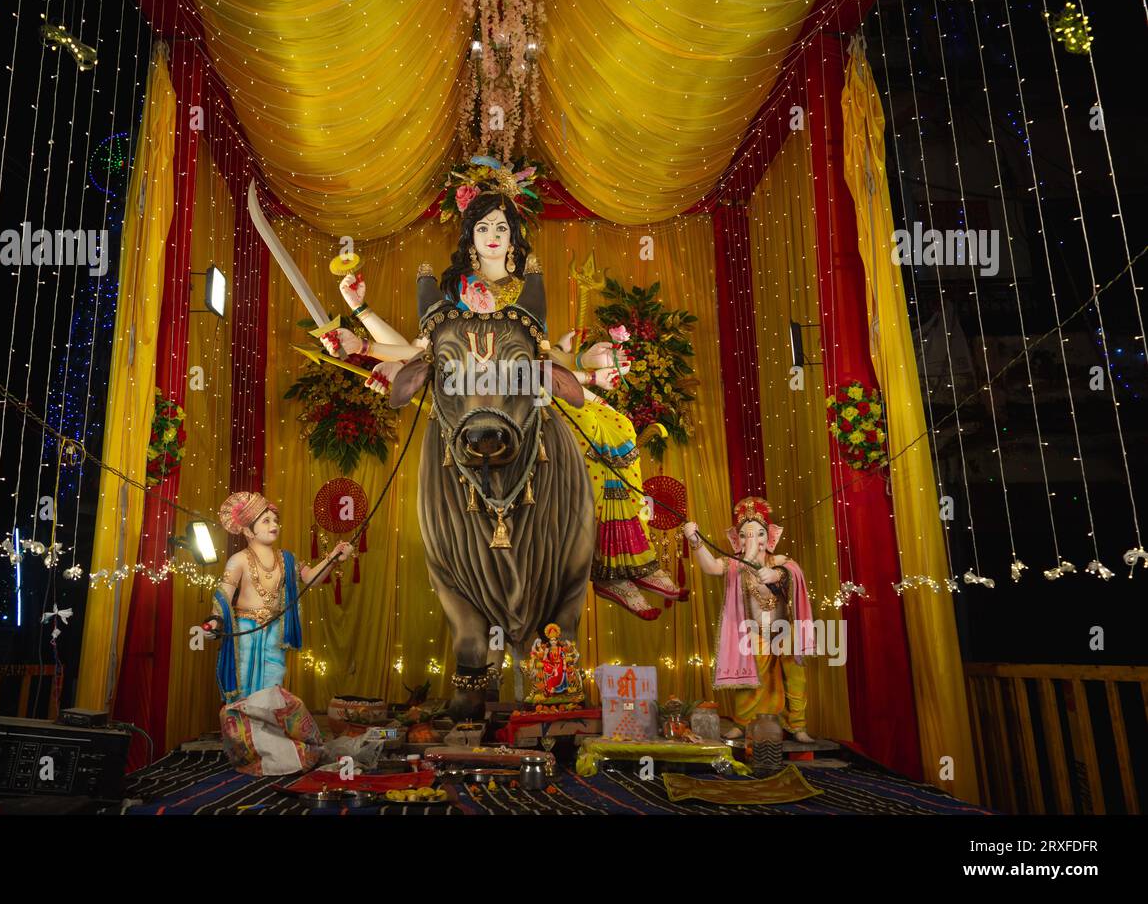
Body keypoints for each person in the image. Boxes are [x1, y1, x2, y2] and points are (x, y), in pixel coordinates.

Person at [320, 158, 684, 621]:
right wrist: (362, 329)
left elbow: (546, 357)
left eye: (502, 227)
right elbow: (420, 352)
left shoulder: (525, 288)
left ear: (514, 237)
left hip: (529, 386)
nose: (493, 236)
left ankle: (620, 562)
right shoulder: (453, 294)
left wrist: (586, 365)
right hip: (478, 394)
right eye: (483, 228)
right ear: (470, 240)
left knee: (615, 426)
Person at [684, 496, 816, 743]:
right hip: (754, 633)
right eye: (744, 535)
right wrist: (696, 542)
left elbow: (793, 574)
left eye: (758, 534)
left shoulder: (780, 562)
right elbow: (711, 567)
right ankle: (743, 723)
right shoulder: (735, 564)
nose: (752, 540)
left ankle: (797, 725)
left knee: (795, 678)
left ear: (770, 537)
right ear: (737, 539)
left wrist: (776, 574)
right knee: (749, 677)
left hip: (785, 630)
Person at [205, 491, 353, 703]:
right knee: (243, 680)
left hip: (275, 629)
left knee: (273, 682)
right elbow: (223, 594)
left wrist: (332, 558)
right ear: (248, 530)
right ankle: (244, 730)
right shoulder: (238, 560)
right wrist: (214, 620)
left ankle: (268, 727)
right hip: (246, 629)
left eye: (275, 520)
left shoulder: (287, 558)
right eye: (266, 521)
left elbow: (311, 578)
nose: (274, 524)